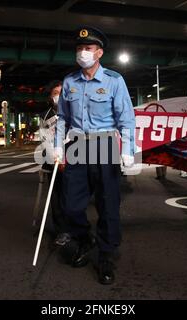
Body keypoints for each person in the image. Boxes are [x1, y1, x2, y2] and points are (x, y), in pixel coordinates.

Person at [54, 26, 135, 285]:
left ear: (99, 52)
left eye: (88, 48)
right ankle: (84, 237)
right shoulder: (69, 81)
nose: (82, 52)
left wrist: (127, 150)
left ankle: (106, 255)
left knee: (107, 204)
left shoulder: (114, 80)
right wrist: (57, 145)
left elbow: (127, 119)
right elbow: (62, 118)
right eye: (79, 48)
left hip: (105, 144)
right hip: (76, 144)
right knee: (71, 204)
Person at [39, 80, 70, 246]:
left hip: (76, 158)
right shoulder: (45, 117)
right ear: (51, 98)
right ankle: (62, 231)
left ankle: (77, 228)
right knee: (57, 197)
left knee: (73, 196)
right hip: (55, 162)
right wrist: (57, 159)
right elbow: (46, 141)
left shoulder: (74, 111)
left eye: (62, 93)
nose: (59, 96)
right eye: (55, 94)